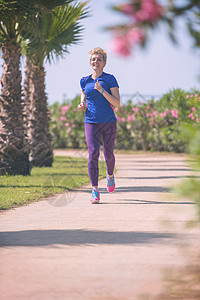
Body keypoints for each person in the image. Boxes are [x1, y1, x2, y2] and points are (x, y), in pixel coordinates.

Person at [78, 47, 120, 204]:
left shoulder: (110, 79)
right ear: (90, 62)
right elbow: (84, 92)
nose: (96, 61)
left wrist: (102, 91)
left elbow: (117, 102)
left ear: (104, 63)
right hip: (91, 121)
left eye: (99, 59)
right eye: (93, 59)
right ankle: (95, 190)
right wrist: (82, 102)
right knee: (93, 153)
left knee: (108, 154)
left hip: (108, 121)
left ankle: (110, 175)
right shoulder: (85, 80)